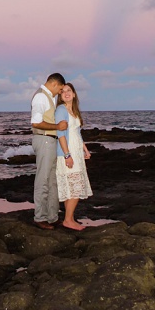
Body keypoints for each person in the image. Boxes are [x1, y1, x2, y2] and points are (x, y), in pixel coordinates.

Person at [30, 73, 68, 230]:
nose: (60, 92)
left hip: (51, 142)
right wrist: (57, 127)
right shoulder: (40, 97)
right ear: (54, 84)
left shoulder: (50, 98)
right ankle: (40, 217)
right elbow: (36, 122)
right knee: (43, 180)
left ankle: (52, 217)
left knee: (53, 181)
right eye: (60, 88)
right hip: (44, 139)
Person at [55, 82, 93, 231]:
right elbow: (61, 135)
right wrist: (67, 155)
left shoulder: (74, 111)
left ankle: (69, 219)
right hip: (67, 153)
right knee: (75, 187)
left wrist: (86, 150)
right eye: (63, 91)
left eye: (69, 90)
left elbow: (77, 133)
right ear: (60, 96)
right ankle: (68, 220)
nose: (66, 93)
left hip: (76, 153)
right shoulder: (61, 110)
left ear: (74, 94)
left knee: (72, 188)